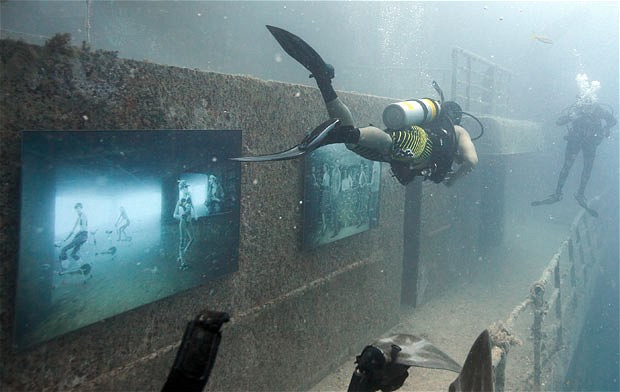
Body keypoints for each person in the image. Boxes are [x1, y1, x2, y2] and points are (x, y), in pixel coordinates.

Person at [232, 26, 479, 187]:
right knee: (389, 143)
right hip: (418, 144)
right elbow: (472, 161)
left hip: (412, 139)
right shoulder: (458, 132)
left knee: (358, 144)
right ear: (456, 118)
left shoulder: (433, 119)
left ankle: (324, 82)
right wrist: (454, 179)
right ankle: (342, 134)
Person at [532, 98, 616, 216]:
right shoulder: (578, 109)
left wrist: (606, 127)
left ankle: (578, 194)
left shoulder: (600, 111)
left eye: (590, 106)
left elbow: (613, 121)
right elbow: (559, 122)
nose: (587, 108)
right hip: (576, 141)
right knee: (567, 167)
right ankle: (558, 193)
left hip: (589, 143)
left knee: (586, 169)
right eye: (585, 105)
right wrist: (572, 116)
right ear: (582, 103)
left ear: (594, 104)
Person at [173, 180, 195, 270]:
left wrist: (193, 214)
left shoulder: (188, 198)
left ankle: (182, 254)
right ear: (181, 189)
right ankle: (182, 263)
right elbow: (174, 215)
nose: (187, 188)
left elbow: (191, 207)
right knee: (182, 242)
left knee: (192, 239)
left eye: (187, 187)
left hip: (189, 221)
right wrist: (181, 216)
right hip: (183, 221)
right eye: (185, 187)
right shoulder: (180, 201)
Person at [59, 202, 88, 267]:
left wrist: (76, 235)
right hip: (83, 237)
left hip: (82, 235)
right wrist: (65, 239)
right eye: (76, 208)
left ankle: (65, 264)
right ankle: (82, 264)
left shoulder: (83, 215)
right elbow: (73, 229)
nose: (77, 210)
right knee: (73, 254)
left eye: (78, 208)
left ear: (81, 208)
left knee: (64, 249)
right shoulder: (78, 218)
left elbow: (83, 228)